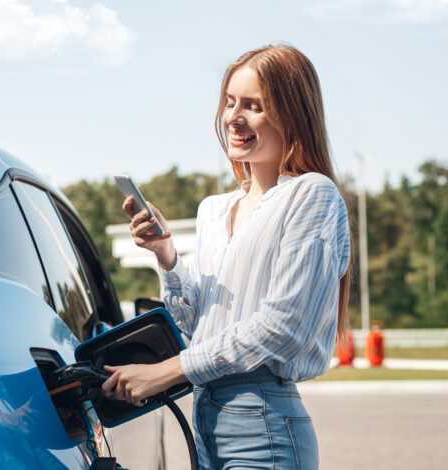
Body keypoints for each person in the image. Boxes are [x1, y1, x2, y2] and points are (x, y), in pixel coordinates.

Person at [101, 44, 351, 469]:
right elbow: (196, 325)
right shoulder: (213, 210)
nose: (234, 117)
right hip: (206, 418)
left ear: (293, 114)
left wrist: (167, 371)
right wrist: (167, 257)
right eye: (230, 102)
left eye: (254, 106)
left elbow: (284, 325)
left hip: (263, 424)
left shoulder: (312, 194)